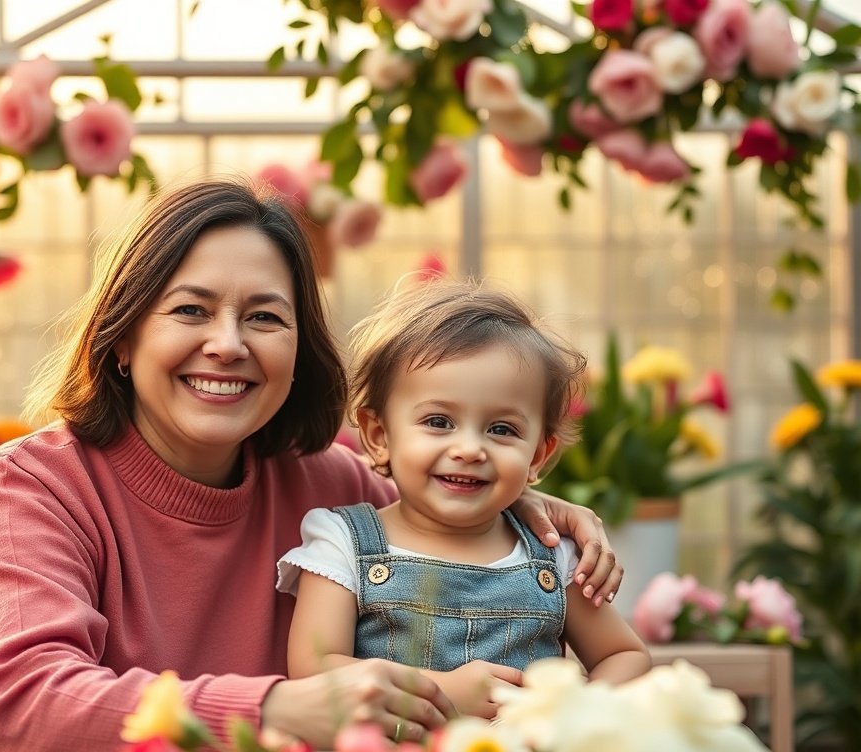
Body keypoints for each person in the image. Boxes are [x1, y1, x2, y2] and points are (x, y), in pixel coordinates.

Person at [0, 179, 624, 752]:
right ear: (122, 338)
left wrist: (539, 507)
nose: (228, 344)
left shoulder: (337, 487)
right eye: (190, 310)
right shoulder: (28, 488)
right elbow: (27, 710)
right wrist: (277, 708)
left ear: (299, 347)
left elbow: (453, 498)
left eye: (264, 317)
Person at [279, 280, 651, 720]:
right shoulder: (343, 543)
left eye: (501, 429)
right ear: (379, 436)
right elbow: (314, 671)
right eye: (439, 421)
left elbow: (626, 656)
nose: (470, 449)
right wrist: (438, 691)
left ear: (537, 455)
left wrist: (567, 716)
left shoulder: (553, 556)